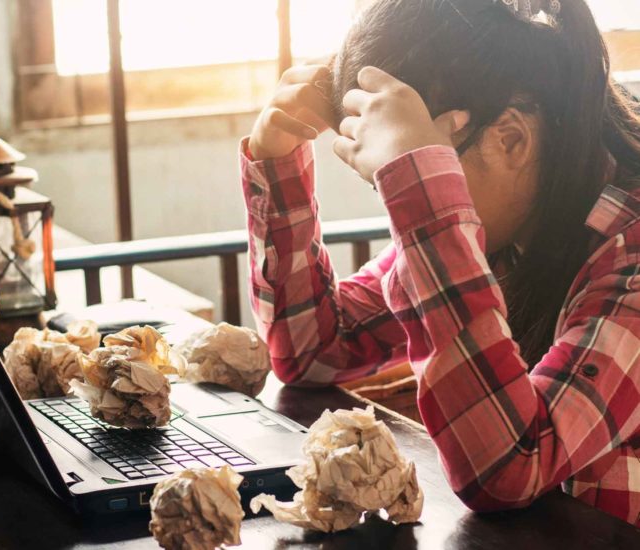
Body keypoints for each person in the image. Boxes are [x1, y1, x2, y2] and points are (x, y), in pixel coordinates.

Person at [240, 0, 640, 526]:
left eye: (425, 173)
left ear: (512, 139)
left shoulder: (629, 257)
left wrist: (426, 201)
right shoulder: (503, 230)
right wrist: (278, 160)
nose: (401, 205)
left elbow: (509, 466)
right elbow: (315, 350)